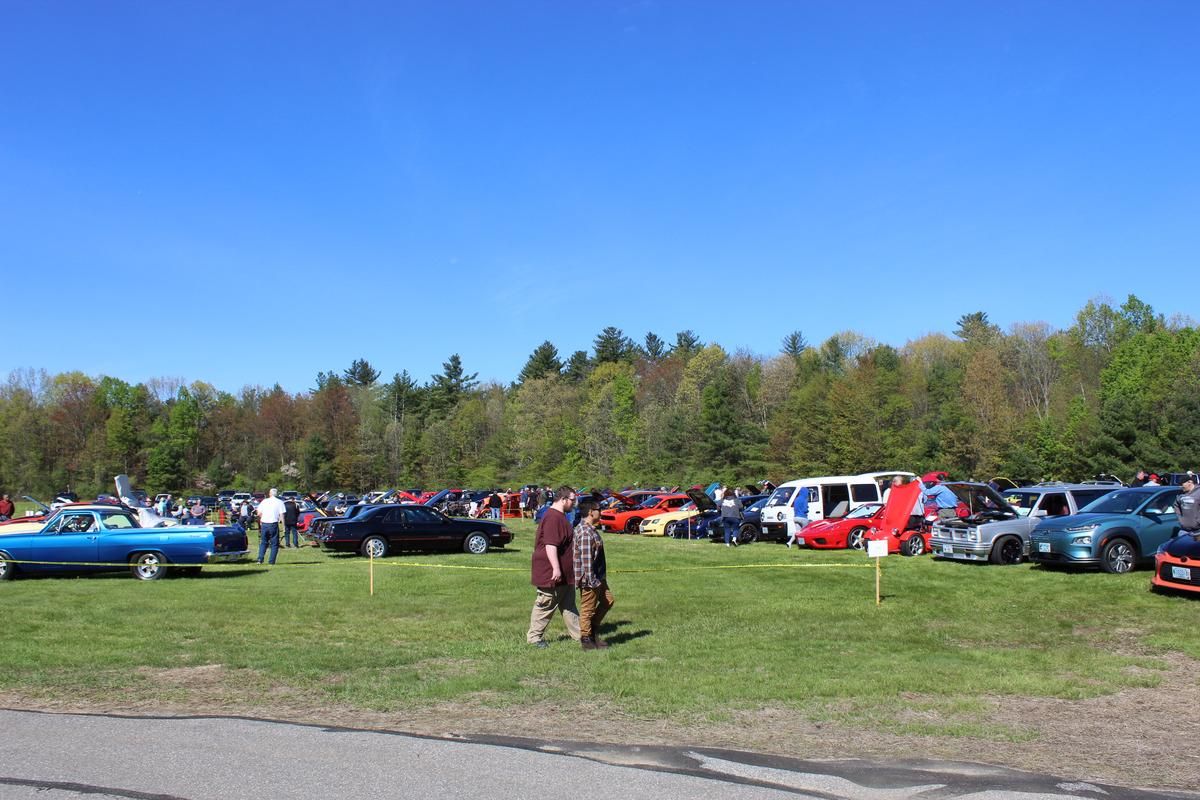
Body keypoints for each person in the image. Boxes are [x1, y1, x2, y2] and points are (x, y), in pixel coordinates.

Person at [526, 486, 581, 648]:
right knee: (545, 604)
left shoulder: (561, 516)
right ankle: (534, 638)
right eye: (572, 500)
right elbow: (551, 545)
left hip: (565, 573)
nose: (574, 503)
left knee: (569, 605)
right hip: (551, 572)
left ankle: (580, 635)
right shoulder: (553, 517)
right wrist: (556, 568)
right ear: (563, 499)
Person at [573, 500, 613, 650]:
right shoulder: (585, 532)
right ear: (591, 512)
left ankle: (593, 631)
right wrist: (591, 580)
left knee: (608, 601)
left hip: (598, 576)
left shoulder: (591, 529)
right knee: (587, 609)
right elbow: (586, 561)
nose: (601, 511)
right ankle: (586, 640)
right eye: (599, 509)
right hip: (591, 578)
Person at [255, 488, 286, 565]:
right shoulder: (280, 502)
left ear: (269, 493)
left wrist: (262, 519)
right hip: (273, 524)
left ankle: (260, 559)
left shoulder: (264, 501)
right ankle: (271, 561)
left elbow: (258, 513)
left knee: (263, 542)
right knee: (274, 543)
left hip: (264, 524)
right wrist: (284, 526)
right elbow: (282, 515)